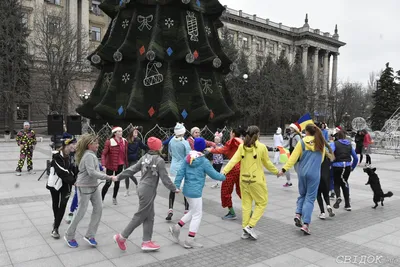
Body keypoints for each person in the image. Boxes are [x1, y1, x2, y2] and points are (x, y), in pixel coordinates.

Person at [113, 137, 179, 251]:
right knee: (140, 216)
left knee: (150, 216)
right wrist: (174, 189)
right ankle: (122, 237)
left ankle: (146, 241)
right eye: (161, 145)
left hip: (142, 188)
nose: (162, 146)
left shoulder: (144, 157)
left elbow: (132, 169)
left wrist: (119, 176)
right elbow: (165, 178)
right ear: (158, 148)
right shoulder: (159, 160)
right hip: (148, 190)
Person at [222, 126, 278, 240]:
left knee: (246, 205)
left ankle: (245, 230)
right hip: (256, 180)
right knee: (262, 203)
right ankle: (250, 226)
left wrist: (224, 172)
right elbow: (267, 163)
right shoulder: (261, 147)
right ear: (257, 134)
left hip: (244, 180)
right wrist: (277, 172)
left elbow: (233, 160)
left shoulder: (242, 146)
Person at [169, 138, 226, 248]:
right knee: (197, 215)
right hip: (195, 192)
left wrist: (176, 186)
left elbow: (180, 172)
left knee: (193, 211)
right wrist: (224, 177)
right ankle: (189, 240)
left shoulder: (188, 158)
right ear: (204, 148)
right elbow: (214, 174)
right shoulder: (204, 161)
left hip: (186, 190)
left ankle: (176, 228)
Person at [64, 134, 115, 248]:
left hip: (93, 185)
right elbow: (92, 172)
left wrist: (102, 169)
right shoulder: (88, 155)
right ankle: (69, 235)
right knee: (81, 211)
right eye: (95, 143)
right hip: (84, 186)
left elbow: (94, 169)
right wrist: (108, 177)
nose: (98, 145)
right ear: (89, 145)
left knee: (99, 208)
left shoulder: (91, 155)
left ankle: (90, 235)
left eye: (97, 142)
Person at [278, 124, 330, 235]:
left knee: (302, 195)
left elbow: (293, 157)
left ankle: (298, 214)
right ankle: (306, 225)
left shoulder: (302, 142)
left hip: (302, 173)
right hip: (314, 173)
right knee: (310, 198)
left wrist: (283, 169)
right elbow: (321, 160)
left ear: (306, 132)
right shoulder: (321, 143)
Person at [206, 128, 243, 220]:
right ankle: (249, 210)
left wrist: (211, 150)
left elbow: (223, 150)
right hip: (242, 167)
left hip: (233, 167)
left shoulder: (232, 141)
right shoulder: (242, 141)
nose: (230, 134)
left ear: (233, 134)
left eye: (231, 133)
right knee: (241, 190)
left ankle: (231, 212)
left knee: (225, 190)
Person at [47, 134, 77, 238]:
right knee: (56, 204)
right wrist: (74, 181)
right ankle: (56, 222)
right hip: (55, 183)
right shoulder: (56, 156)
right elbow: (62, 171)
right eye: (73, 144)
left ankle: (55, 228)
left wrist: (78, 177)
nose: (75, 146)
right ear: (66, 145)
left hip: (66, 184)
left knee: (63, 204)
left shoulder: (73, 156)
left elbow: (74, 169)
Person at [166, 123, 191, 221]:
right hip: (183, 167)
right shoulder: (185, 142)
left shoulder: (171, 141)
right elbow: (188, 156)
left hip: (173, 167)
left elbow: (170, 152)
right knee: (185, 189)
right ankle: (186, 210)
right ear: (183, 132)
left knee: (173, 189)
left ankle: (170, 209)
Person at [331, 130, 358, 211]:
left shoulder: (334, 144)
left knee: (336, 183)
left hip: (337, 166)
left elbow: (330, 152)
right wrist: (352, 167)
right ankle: (347, 204)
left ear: (337, 137)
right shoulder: (349, 145)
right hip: (347, 166)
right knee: (345, 182)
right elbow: (356, 158)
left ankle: (338, 197)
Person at [101, 126, 128, 205]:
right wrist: (103, 165)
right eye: (118, 131)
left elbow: (125, 153)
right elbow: (103, 154)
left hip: (120, 164)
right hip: (111, 164)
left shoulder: (124, 141)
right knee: (108, 183)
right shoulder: (109, 141)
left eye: (121, 131)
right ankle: (101, 199)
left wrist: (126, 163)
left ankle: (114, 198)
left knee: (117, 182)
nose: (120, 133)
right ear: (115, 133)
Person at [125, 127, 148, 196]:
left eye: (137, 132)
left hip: (134, 159)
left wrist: (150, 149)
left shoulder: (138, 140)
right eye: (135, 132)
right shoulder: (126, 140)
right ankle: (127, 190)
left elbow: (143, 147)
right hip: (126, 159)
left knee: (129, 173)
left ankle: (137, 184)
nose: (137, 133)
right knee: (126, 175)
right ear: (131, 133)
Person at [282, 122, 302, 187]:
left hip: (295, 154)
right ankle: (289, 181)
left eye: (291, 128)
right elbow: (287, 144)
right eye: (290, 127)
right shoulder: (291, 135)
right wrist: (280, 147)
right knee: (286, 167)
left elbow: (300, 144)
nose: (290, 129)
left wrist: (296, 149)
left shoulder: (297, 136)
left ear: (294, 129)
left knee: (297, 170)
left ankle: (301, 183)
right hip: (290, 153)